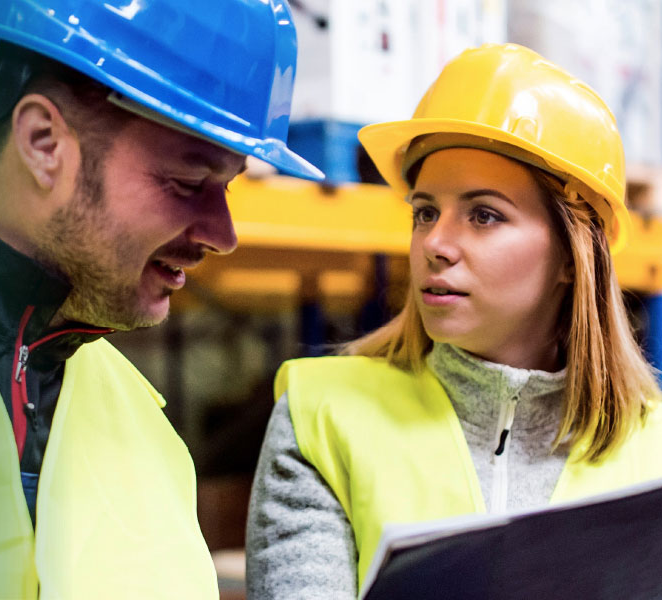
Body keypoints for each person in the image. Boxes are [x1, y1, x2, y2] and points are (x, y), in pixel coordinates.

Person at [0, 1, 322, 598]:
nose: (222, 236)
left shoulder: (144, 425)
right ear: (43, 143)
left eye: (226, 189)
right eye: (188, 184)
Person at [245, 43, 662, 599]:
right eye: (424, 213)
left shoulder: (652, 445)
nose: (435, 244)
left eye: (484, 215)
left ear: (572, 255)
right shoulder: (322, 417)